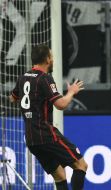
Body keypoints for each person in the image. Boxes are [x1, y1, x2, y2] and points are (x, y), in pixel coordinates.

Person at [9, 44, 87, 190]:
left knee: (60, 176)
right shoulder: (45, 79)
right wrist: (71, 92)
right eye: (51, 56)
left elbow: (13, 98)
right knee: (81, 165)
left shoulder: (22, 78)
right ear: (47, 59)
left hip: (31, 139)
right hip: (46, 134)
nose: (53, 59)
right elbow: (61, 104)